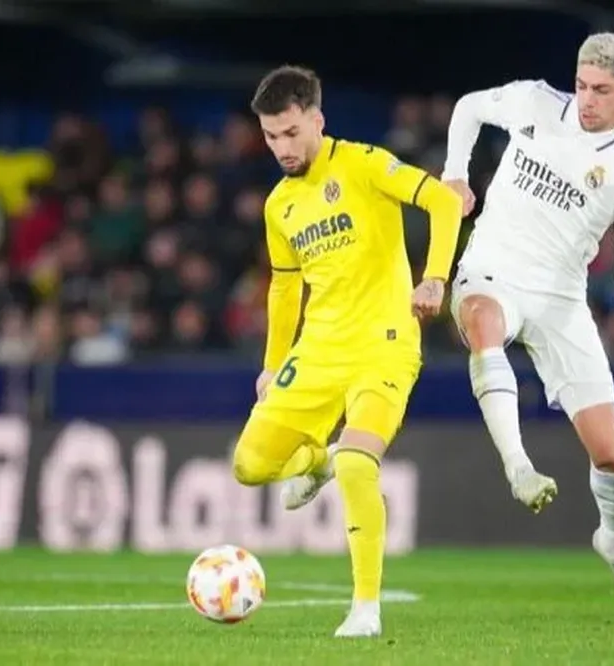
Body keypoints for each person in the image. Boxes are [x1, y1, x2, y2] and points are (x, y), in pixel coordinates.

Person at [441, 32, 614, 611]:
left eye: (602, 90)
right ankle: (520, 467)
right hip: (492, 267)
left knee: (612, 458)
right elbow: (470, 106)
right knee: (483, 324)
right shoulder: (535, 102)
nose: (587, 98)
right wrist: (455, 172)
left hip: (561, 300)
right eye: (581, 84)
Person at [232, 65, 463, 637]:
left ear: (316, 120)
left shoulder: (362, 163)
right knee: (249, 466)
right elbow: (286, 286)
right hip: (318, 350)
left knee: (359, 461)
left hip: (384, 344)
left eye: (290, 133)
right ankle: (316, 461)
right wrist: (271, 363)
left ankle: (365, 608)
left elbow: (443, 202)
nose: (281, 148)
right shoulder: (278, 205)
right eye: (270, 137)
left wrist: (435, 278)